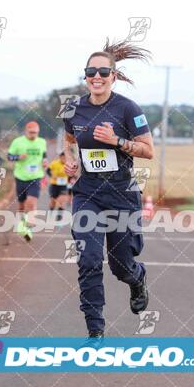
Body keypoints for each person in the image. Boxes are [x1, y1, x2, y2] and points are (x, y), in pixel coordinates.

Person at [62, 38, 155, 345]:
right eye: (91, 71)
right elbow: (67, 140)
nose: (97, 77)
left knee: (120, 263)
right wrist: (70, 160)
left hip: (121, 193)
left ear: (114, 76)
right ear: (85, 75)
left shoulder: (128, 108)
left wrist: (116, 141)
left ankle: (137, 278)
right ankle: (95, 330)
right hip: (88, 192)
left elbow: (148, 151)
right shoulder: (72, 108)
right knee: (88, 259)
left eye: (104, 72)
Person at [7, 121, 48, 241]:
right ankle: (22, 222)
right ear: (26, 131)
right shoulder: (17, 142)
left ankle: (28, 228)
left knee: (31, 202)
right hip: (20, 177)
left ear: (38, 132)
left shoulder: (42, 142)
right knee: (21, 205)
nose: (33, 135)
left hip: (36, 177)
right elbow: (9, 156)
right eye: (31, 132)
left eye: (35, 132)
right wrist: (18, 157)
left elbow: (44, 154)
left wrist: (45, 161)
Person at [46, 151, 70, 222]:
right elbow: (48, 171)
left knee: (62, 200)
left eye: (65, 157)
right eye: (62, 157)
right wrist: (52, 176)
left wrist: (71, 177)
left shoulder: (68, 164)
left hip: (63, 185)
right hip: (54, 184)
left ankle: (59, 215)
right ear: (60, 157)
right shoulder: (54, 163)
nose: (64, 159)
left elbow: (73, 174)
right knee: (53, 201)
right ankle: (51, 211)